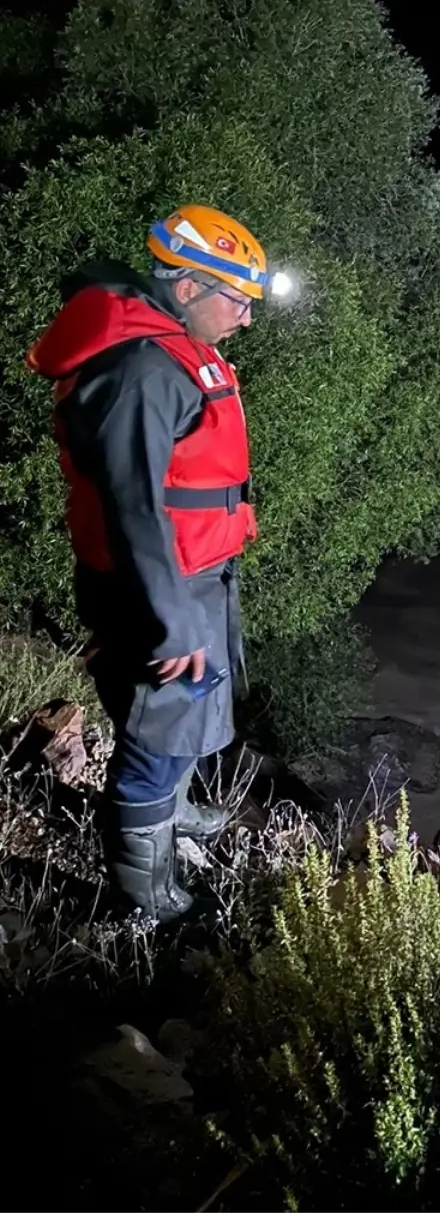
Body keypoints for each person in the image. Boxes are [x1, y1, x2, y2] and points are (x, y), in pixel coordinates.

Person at [27, 205, 270, 922]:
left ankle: (175, 810)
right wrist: (171, 623)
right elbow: (135, 506)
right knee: (155, 737)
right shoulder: (142, 368)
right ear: (189, 288)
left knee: (185, 719)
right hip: (155, 589)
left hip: (192, 578)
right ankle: (148, 896)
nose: (247, 320)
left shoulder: (170, 346)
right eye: (237, 300)